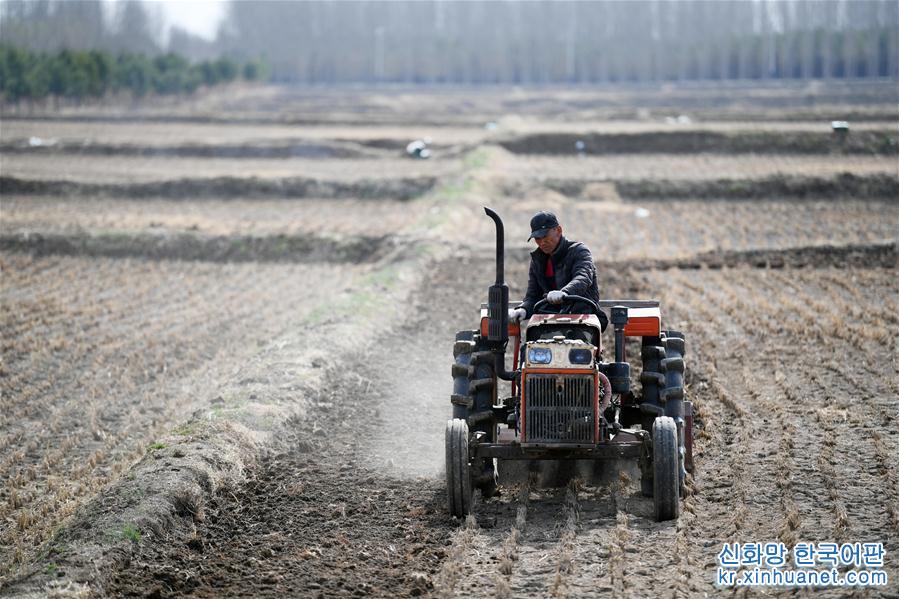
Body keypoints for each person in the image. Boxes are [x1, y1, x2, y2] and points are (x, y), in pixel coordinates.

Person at [508, 211, 606, 328]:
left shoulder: (579, 251)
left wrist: (565, 292)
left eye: (544, 236)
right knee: (532, 342)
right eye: (537, 238)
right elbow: (533, 295)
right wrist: (523, 309)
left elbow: (583, 277)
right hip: (549, 319)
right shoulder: (537, 261)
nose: (541, 242)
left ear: (558, 230)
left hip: (582, 317)